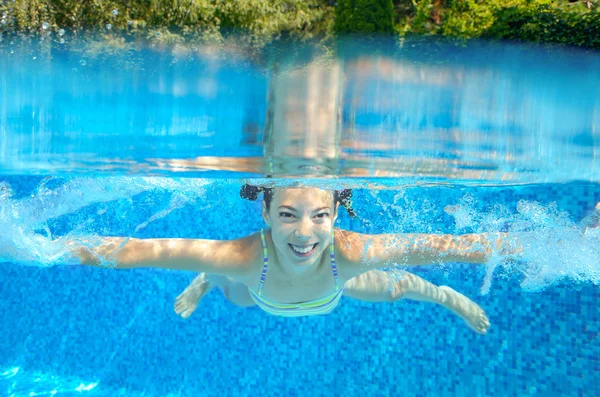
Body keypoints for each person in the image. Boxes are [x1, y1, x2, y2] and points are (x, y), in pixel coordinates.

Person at [69, 183, 524, 335]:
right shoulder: (249, 256)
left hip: (334, 285)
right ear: (264, 211)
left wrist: (531, 245)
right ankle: (205, 281)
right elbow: (140, 252)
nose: (305, 233)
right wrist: (49, 251)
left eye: (319, 215)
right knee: (230, 289)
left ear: (336, 213)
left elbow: (451, 246)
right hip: (260, 288)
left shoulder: (348, 252)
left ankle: (446, 299)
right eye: (287, 215)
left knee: (398, 285)